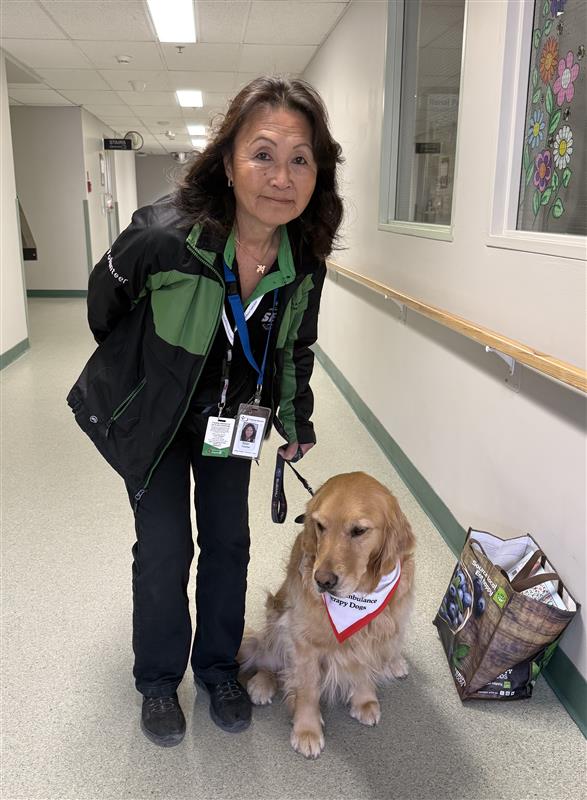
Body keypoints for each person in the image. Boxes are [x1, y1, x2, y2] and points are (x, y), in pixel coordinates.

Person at [67, 76, 343, 747]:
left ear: (317, 173)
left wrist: (294, 419)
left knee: (228, 545)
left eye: (299, 159)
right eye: (262, 154)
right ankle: (159, 681)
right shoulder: (165, 236)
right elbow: (105, 304)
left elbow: (294, 343)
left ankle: (217, 668)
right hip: (157, 423)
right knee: (165, 551)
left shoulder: (301, 258)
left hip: (231, 419)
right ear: (227, 161)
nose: (280, 176)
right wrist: (148, 376)